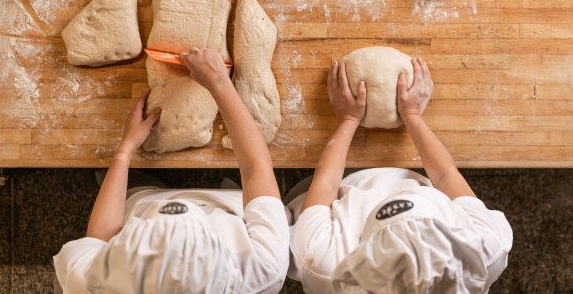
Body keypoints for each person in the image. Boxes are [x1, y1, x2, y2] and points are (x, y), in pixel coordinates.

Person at [53, 48, 289, 294]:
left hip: (144, 204)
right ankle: (226, 187)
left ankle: (147, 186)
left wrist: (125, 149)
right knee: (271, 210)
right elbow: (254, 168)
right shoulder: (265, 269)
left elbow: (102, 234)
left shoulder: (89, 282)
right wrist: (219, 82)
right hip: (232, 207)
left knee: (124, 183)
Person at [286, 57, 513, 293]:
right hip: (414, 177)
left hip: (340, 188)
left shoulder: (324, 264)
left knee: (300, 200)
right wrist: (412, 115)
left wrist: (348, 119)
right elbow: (445, 176)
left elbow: (326, 181)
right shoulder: (485, 246)